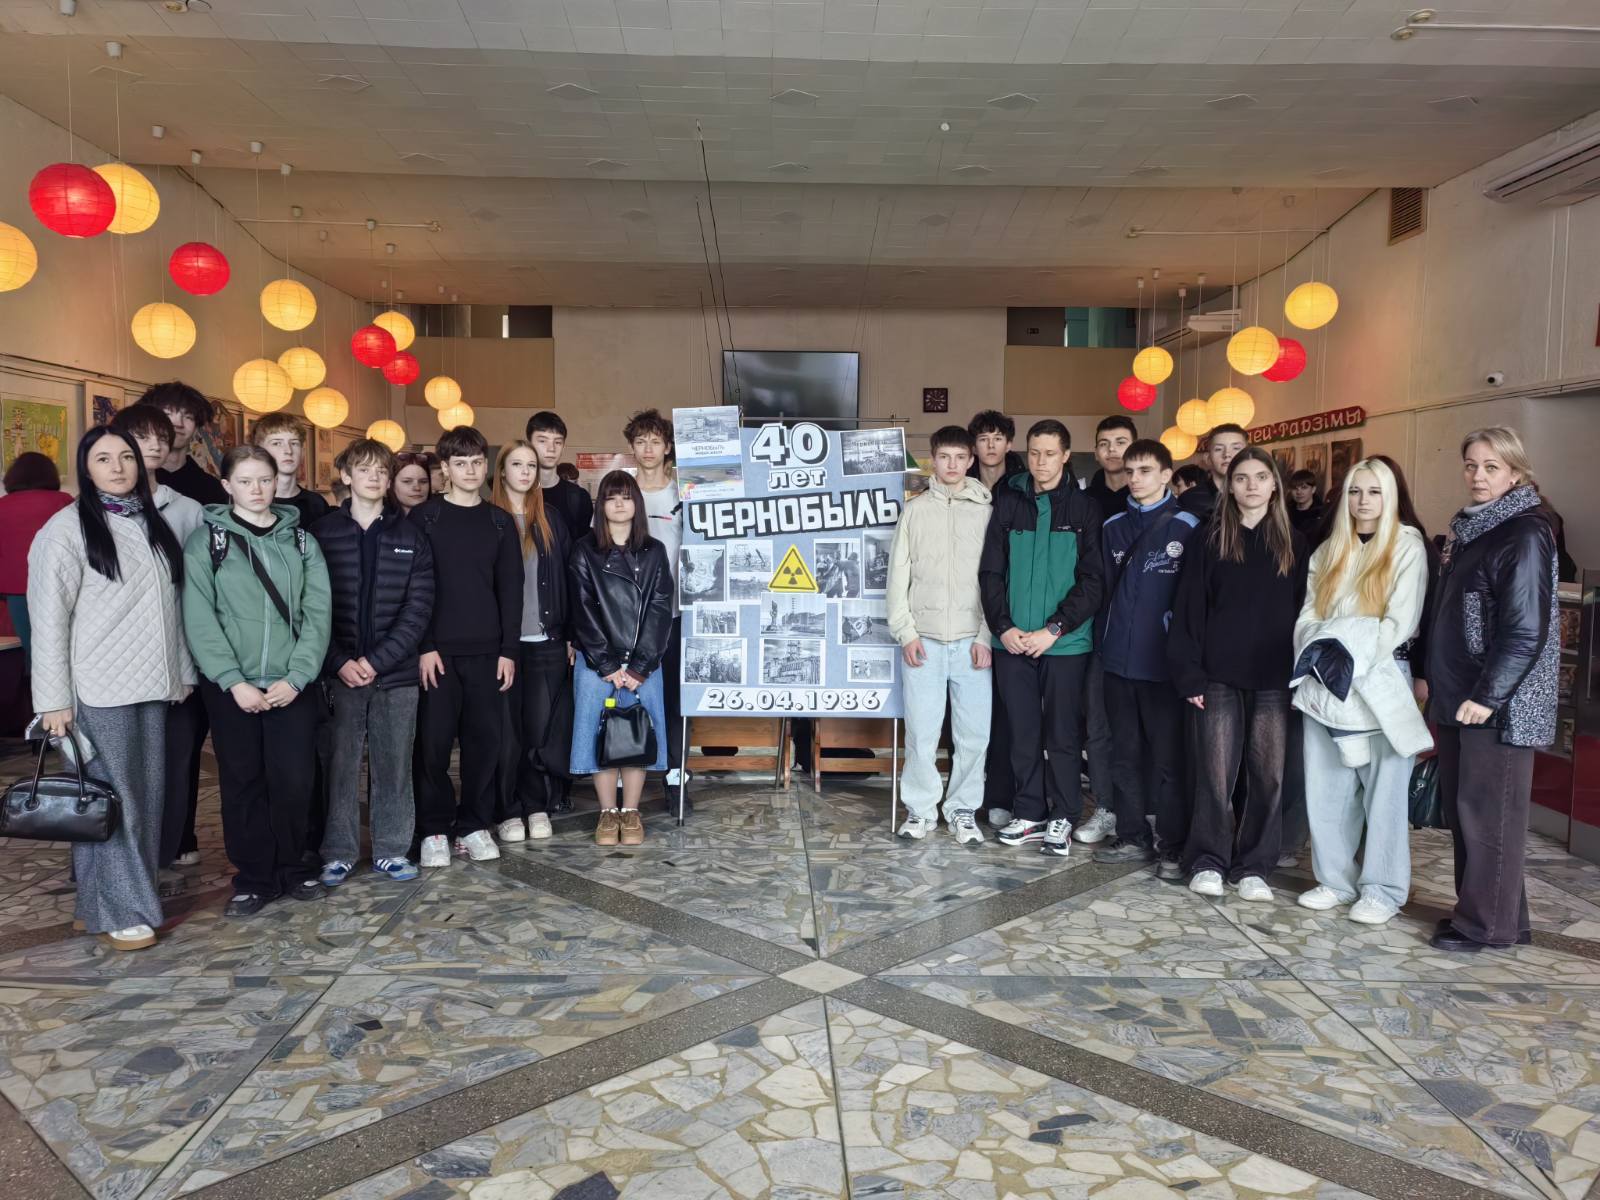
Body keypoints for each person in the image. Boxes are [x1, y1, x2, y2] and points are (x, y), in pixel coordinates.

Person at [27, 428, 191, 950]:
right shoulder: (65, 530)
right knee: (119, 803)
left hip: (151, 684)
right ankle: (124, 909)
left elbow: (169, 608)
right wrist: (53, 702)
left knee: (135, 800)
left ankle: (94, 904)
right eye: (103, 459)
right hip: (96, 689)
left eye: (126, 457)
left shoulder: (149, 521)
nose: (118, 467)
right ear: (86, 467)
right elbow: (47, 621)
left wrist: (181, 671)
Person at [182, 445, 332, 916]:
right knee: (243, 781)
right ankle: (253, 878)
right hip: (233, 687)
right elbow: (199, 617)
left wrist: (299, 676)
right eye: (245, 481)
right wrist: (233, 681)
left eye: (264, 480)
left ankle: (294, 866)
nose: (257, 489)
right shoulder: (206, 543)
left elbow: (318, 614)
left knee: (294, 780)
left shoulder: (302, 542)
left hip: (292, 684)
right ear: (226, 486)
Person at [1426, 427, 1559, 953]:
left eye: (1491, 467)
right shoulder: (1474, 528)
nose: (1478, 476)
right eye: (1471, 465)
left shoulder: (1523, 531)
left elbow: (1525, 630)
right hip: (1462, 692)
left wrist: (1489, 696)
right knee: (1472, 814)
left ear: (1515, 473)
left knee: (1490, 818)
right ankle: (1493, 917)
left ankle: (1485, 927)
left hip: (1496, 702)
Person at [1291, 458, 1430, 925]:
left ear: (1390, 496)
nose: (1363, 501)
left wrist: (1346, 650)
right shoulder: (1329, 550)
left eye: (1373, 492)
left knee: (1385, 794)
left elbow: (1400, 622)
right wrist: (1323, 650)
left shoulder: (1407, 546)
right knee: (1326, 788)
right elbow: (1308, 616)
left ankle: (1382, 890)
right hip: (1324, 681)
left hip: (1380, 679)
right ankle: (1335, 880)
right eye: (1354, 491)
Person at [1169, 447, 1307, 900]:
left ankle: (1254, 867)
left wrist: (1302, 676)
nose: (1251, 486)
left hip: (1275, 678)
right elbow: (1188, 608)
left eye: (1261, 477)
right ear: (1229, 486)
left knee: (1268, 776)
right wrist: (1189, 674)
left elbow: (1306, 613)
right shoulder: (1209, 538)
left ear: (1275, 486)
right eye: (1242, 477)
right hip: (1217, 675)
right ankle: (1208, 860)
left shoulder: (1295, 542)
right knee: (1215, 776)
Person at [311, 439, 434, 886]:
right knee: (339, 765)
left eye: (382, 470)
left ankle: (391, 849)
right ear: (346, 476)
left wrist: (377, 661)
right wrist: (339, 661)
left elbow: (418, 608)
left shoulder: (410, 535)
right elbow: (310, 608)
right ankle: (338, 851)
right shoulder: (322, 533)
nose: (374, 477)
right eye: (364, 469)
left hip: (395, 674)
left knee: (394, 764)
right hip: (338, 673)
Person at [980, 419, 1104, 856]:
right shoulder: (1008, 501)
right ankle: (1030, 812)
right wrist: (1004, 627)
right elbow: (991, 572)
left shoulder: (1085, 509)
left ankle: (1064, 816)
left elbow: (1093, 581)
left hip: (1064, 644)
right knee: (1022, 732)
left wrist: (1054, 629)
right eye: (1034, 453)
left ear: (1066, 456)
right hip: (1012, 642)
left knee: (1063, 735)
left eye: (1050, 454)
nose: (1041, 462)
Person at [410, 425, 524, 868]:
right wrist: (424, 644)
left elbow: (511, 591)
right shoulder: (425, 518)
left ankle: (474, 824)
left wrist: (509, 650)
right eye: (461, 463)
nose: (471, 470)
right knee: (433, 746)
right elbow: (414, 589)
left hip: (488, 653)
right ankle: (434, 829)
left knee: (484, 744)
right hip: (436, 653)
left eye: (477, 462)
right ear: (445, 468)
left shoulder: (499, 522)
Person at [1091, 440, 1201, 876]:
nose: (1135, 479)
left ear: (1166, 474)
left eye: (1145, 470)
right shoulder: (1113, 526)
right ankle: (1132, 835)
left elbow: (1194, 602)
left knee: (1170, 759)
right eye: (1130, 471)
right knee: (1124, 755)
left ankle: (1172, 844)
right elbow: (1101, 590)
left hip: (1164, 666)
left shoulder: (1188, 526)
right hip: (1117, 662)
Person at [110, 406, 206, 892]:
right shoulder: (86, 513)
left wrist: (189, 665)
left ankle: (161, 855)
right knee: (117, 771)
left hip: (177, 658)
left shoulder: (186, 509)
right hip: (113, 665)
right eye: (140, 436)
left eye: (160, 437)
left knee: (173, 764)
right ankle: (114, 865)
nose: (152, 444)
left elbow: (198, 591)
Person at [887, 425, 992, 844]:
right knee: (921, 734)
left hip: (971, 642)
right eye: (944, 457)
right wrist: (905, 633)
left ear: (971, 461)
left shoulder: (986, 511)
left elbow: (995, 582)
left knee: (974, 736)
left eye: (960, 457)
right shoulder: (914, 511)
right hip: (924, 642)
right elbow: (897, 577)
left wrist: (985, 636)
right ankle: (920, 810)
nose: (952, 465)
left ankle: (963, 810)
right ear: (932, 460)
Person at [569, 470, 674, 846]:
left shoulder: (654, 551)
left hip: (644, 665)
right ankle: (606, 812)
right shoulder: (584, 550)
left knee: (636, 736)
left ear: (637, 504)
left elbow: (660, 609)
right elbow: (582, 611)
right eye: (611, 497)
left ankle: (630, 811)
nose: (618, 504)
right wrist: (610, 666)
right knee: (597, 736)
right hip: (597, 664)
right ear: (600, 505)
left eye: (626, 497)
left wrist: (639, 667)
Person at [489, 439, 572, 843]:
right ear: (502, 470)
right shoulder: (488, 517)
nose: (525, 472)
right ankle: (507, 810)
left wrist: (569, 634)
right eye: (517, 464)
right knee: (506, 734)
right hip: (500, 646)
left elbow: (569, 579)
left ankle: (537, 804)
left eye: (531, 466)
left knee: (540, 731)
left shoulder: (550, 518)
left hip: (545, 640)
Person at [1072, 414, 1137, 846]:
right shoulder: (1085, 503)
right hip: (1094, 630)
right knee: (1097, 727)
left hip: (1143, 635)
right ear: (1095, 452)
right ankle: (1106, 808)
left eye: (1121, 442)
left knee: (1138, 729)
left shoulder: (1148, 502)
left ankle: (1142, 811)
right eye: (1105, 443)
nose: (1113, 450)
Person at [627, 408, 691, 811]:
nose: (648, 448)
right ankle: (623, 780)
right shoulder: (622, 490)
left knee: (674, 704)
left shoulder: (683, 491)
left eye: (655, 441)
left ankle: (676, 781)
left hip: (675, 615)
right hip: (628, 619)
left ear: (667, 447)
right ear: (632, 447)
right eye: (640, 441)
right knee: (628, 699)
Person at [966, 409, 1025, 829]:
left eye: (998, 438)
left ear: (1009, 443)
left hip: (1007, 610)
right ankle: (965, 795)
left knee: (1006, 713)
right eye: (983, 438)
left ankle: (1000, 796)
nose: (991, 445)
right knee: (965, 713)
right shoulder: (961, 484)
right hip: (964, 609)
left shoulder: (1022, 487)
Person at [0, 451, 72, 657]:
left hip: (16, 589)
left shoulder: (2, 506)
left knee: (30, 650)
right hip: (58, 584)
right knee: (61, 649)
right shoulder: (64, 502)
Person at [132, 380, 227, 506]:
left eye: (188, 417)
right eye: (167, 414)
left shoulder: (213, 489)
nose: (178, 424)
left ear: (196, 427)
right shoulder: (131, 481)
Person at [252, 412, 331, 528]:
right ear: (259, 451)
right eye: (277, 443)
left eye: (294, 443)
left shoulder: (316, 504)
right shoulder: (250, 502)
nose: (288, 450)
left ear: (303, 452)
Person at [527, 411, 593, 536]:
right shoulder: (517, 495)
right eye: (543, 441)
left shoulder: (579, 497)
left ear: (563, 447)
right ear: (529, 445)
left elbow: (584, 544)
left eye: (557, 442)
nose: (551, 449)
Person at [1176, 423, 1248, 521]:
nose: (1227, 454)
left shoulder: (1259, 495)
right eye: (1218, 449)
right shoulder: (1190, 499)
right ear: (1208, 458)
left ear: (1248, 455)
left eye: (1236, 448)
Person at [391, 451, 436, 515]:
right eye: (407, 481)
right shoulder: (380, 519)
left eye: (423, 482)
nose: (417, 488)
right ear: (391, 484)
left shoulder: (441, 517)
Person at [1287, 469, 1324, 538]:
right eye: (1295, 488)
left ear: (1313, 489)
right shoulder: (1285, 512)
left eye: (1304, 487)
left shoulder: (1322, 514)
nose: (1299, 492)